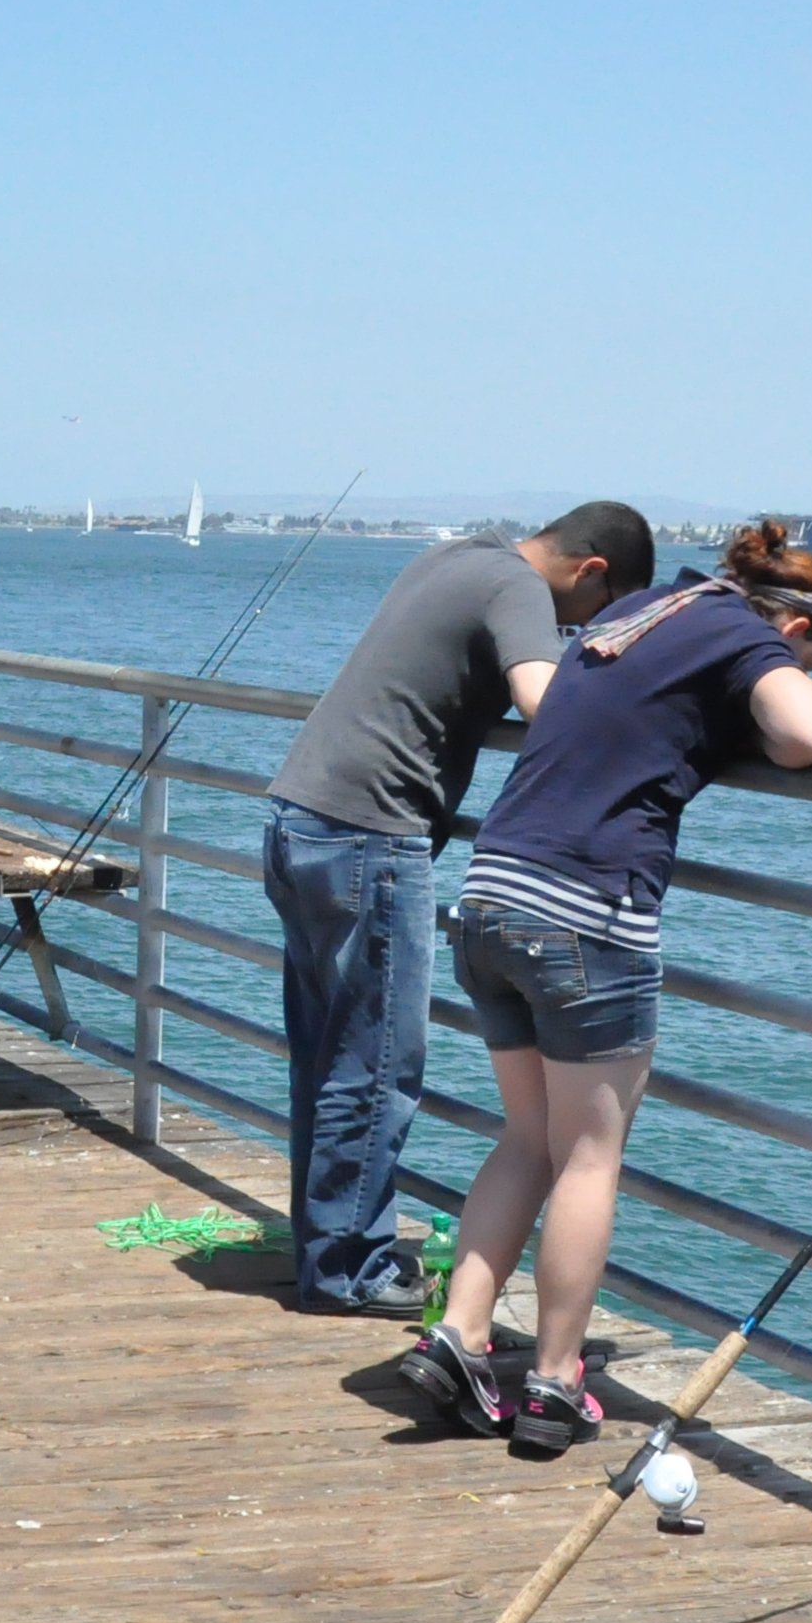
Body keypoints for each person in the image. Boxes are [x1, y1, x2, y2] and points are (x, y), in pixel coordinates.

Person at [400, 518, 812, 1457]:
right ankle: (556, 1381)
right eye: (804, 656)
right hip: (586, 911)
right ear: (796, 630)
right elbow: (810, 734)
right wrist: (774, 688)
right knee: (588, 1159)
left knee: (528, 1136)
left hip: (491, 895)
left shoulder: (646, 610)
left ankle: (461, 1335)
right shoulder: (739, 631)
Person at [263, 503, 654, 1317]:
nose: (577, 632)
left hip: (300, 818)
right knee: (376, 1064)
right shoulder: (517, 586)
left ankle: (325, 1249)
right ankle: (350, 1270)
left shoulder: (454, 556)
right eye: (592, 615)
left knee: (327, 1055)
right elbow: (545, 700)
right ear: (590, 571)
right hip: (372, 835)